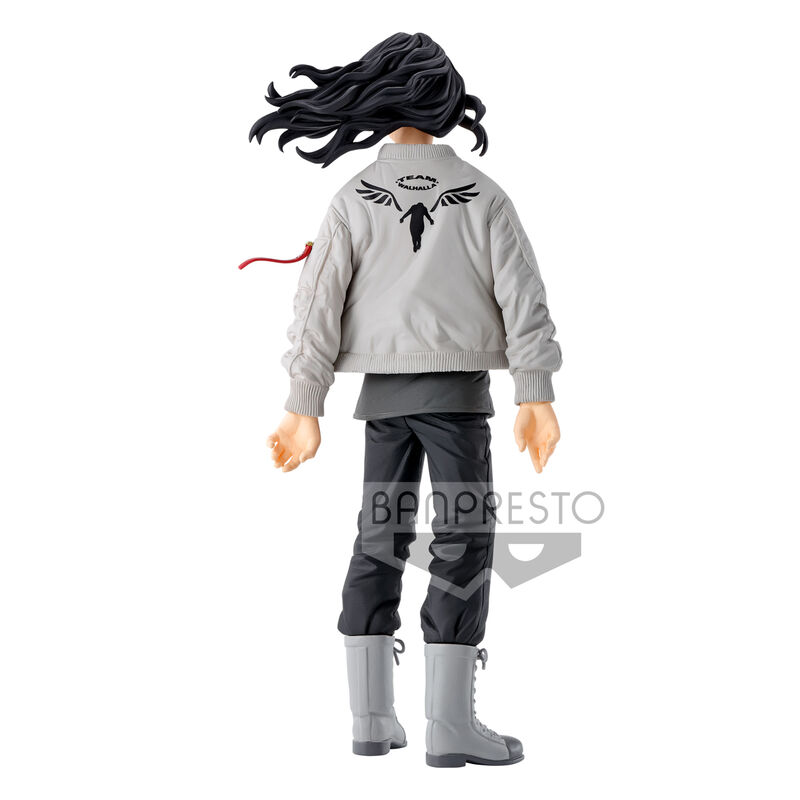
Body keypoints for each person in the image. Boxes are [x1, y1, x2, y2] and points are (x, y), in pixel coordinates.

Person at [250, 32, 562, 768]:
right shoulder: (482, 195)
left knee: (378, 535)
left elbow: (317, 305)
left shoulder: (353, 198)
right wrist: (536, 392)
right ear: (445, 101)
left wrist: (303, 404)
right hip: (459, 402)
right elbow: (524, 297)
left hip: (383, 406)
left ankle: (371, 719)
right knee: (463, 539)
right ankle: (448, 726)